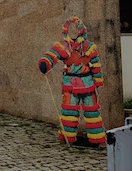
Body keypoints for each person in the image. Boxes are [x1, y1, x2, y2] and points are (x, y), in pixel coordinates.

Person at [38, 17, 105, 145]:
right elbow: (52, 55)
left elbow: (96, 64)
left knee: (92, 112)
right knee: (69, 112)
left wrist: (97, 81)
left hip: (88, 84)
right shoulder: (63, 47)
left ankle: (97, 139)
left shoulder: (88, 47)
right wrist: (45, 63)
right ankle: (67, 137)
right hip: (70, 84)